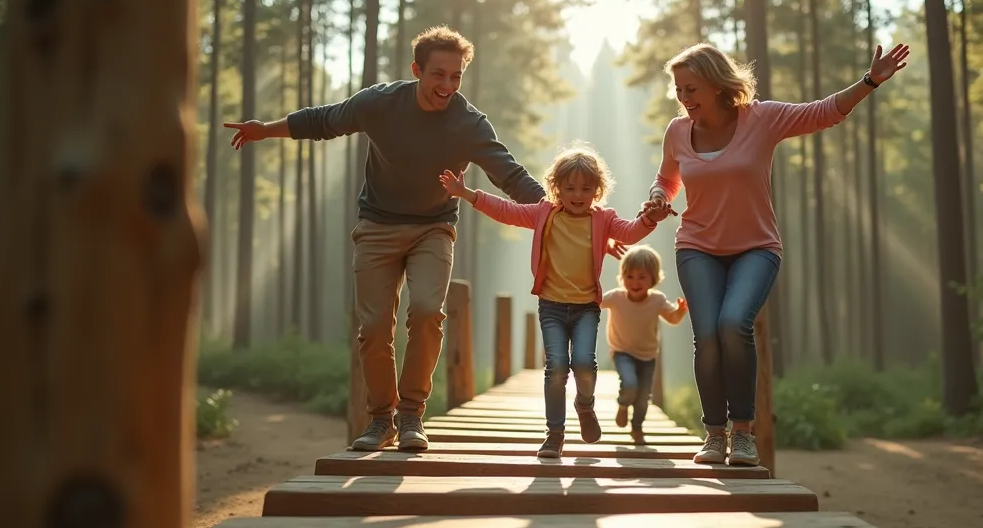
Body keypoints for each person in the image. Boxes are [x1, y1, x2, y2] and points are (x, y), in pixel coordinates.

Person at [224, 25, 628, 454]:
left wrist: (573, 222)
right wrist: (264, 130)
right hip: (377, 225)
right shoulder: (379, 103)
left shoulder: (468, 122)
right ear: (417, 70)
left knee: (426, 312)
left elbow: (511, 177)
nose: (447, 86)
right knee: (374, 327)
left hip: (433, 228)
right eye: (438, 75)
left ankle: (412, 414)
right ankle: (381, 420)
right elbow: (325, 120)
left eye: (456, 76)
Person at [641, 42, 909, 466]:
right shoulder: (677, 132)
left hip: (755, 247)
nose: (684, 98)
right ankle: (714, 435)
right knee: (707, 337)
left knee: (733, 324)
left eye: (691, 89)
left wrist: (870, 81)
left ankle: (743, 433)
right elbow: (667, 179)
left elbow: (823, 111)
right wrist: (656, 197)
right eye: (679, 90)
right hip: (697, 246)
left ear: (715, 84)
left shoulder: (760, 119)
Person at [439, 145, 660, 458]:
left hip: (586, 308)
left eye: (586, 188)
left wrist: (650, 218)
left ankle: (585, 405)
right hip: (552, 306)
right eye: (569, 188)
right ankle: (555, 433)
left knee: (584, 364)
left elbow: (630, 232)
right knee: (556, 367)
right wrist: (467, 193)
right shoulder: (545, 213)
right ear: (557, 188)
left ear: (597, 190)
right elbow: (507, 211)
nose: (578, 194)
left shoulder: (603, 219)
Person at [601, 245, 688, 445]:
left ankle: (637, 427)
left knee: (643, 397)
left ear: (653, 278)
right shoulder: (615, 297)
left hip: (648, 355)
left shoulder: (657, 300)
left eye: (642, 277)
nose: (635, 282)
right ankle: (623, 405)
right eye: (629, 277)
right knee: (630, 384)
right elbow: (593, 302)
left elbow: (672, 318)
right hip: (621, 351)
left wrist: (681, 310)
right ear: (622, 277)